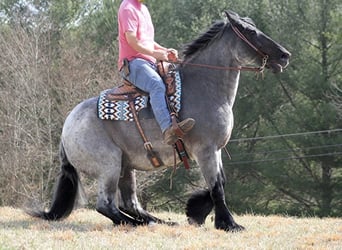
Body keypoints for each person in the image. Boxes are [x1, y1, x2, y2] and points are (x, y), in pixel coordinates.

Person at [118, 0, 195, 145]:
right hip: (133, 62)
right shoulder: (128, 8)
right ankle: (167, 129)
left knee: (176, 78)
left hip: (148, 61)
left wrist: (165, 51)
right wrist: (156, 54)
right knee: (156, 85)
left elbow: (148, 42)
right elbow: (133, 41)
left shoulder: (144, 9)